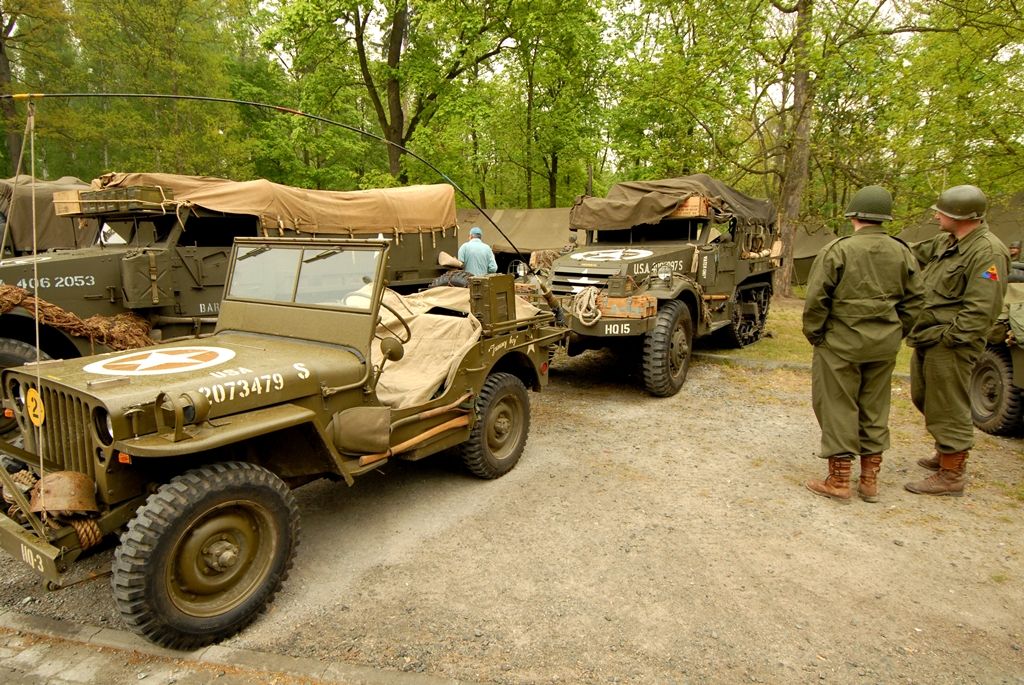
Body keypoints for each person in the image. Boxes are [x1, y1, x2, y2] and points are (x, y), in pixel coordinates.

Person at [803, 185, 923, 503]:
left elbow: (816, 300)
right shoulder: (903, 252)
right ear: (885, 218)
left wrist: (816, 335)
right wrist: (897, 332)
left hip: (840, 344)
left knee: (837, 404)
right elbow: (915, 300)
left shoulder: (838, 250)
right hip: (883, 345)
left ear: (853, 215)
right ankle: (869, 481)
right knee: (875, 406)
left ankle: (839, 480)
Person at [904, 185, 1010, 496]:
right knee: (925, 397)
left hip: (950, 342)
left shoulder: (987, 251)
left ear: (962, 216)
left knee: (948, 404)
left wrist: (951, 339)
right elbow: (911, 252)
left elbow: (982, 308)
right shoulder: (947, 242)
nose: (936, 215)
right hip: (928, 335)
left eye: (942, 212)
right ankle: (946, 451)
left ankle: (952, 474)